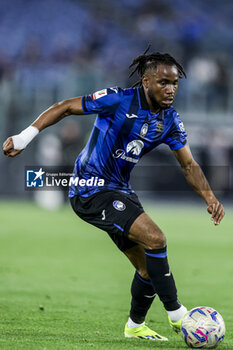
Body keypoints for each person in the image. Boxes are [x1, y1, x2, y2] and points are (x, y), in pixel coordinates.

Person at [3, 47, 225, 341]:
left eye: (174, 83)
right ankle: (179, 315)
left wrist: (209, 197)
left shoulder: (170, 120)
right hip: (90, 189)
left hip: (120, 190)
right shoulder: (119, 99)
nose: (170, 89)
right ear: (146, 82)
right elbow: (65, 106)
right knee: (155, 238)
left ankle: (135, 326)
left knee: (148, 269)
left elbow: (188, 164)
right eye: (163, 82)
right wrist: (24, 136)